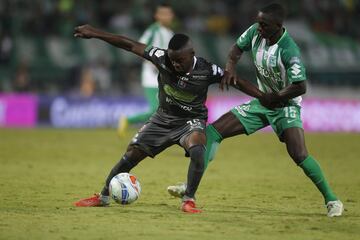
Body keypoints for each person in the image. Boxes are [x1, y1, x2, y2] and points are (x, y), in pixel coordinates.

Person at [167, 3, 344, 217]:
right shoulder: (254, 32)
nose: (258, 27)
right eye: (258, 22)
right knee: (213, 132)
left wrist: (276, 97)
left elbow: (300, 86)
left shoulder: (289, 50)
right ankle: (190, 186)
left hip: (285, 105)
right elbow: (234, 51)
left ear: (278, 26)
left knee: (298, 154)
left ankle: (332, 200)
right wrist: (230, 69)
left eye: (264, 24)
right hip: (262, 102)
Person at [72, 24, 226, 213]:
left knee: (198, 150)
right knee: (131, 155)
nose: (175, 64)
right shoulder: (161, 57)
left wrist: (264, 96)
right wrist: (96, 32)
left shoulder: (207, 69)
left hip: (190, 121)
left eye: (180, 60)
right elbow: (129, 45)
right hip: (162, 119)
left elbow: (236, 80)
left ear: (191, 54)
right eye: (173, 59)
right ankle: (103, 196)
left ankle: (188, 200)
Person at [117, 3, 174, 137]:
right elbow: (138, 48)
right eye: (164, 13)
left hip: (165, 77)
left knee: (168, 108)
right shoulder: (153, 30)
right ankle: (129, 120)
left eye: (169, 13)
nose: (168, 16)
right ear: (157, 16)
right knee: (156, 109)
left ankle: (160, 134)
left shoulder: (170, 33)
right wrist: (154, 64)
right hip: (152, 77)